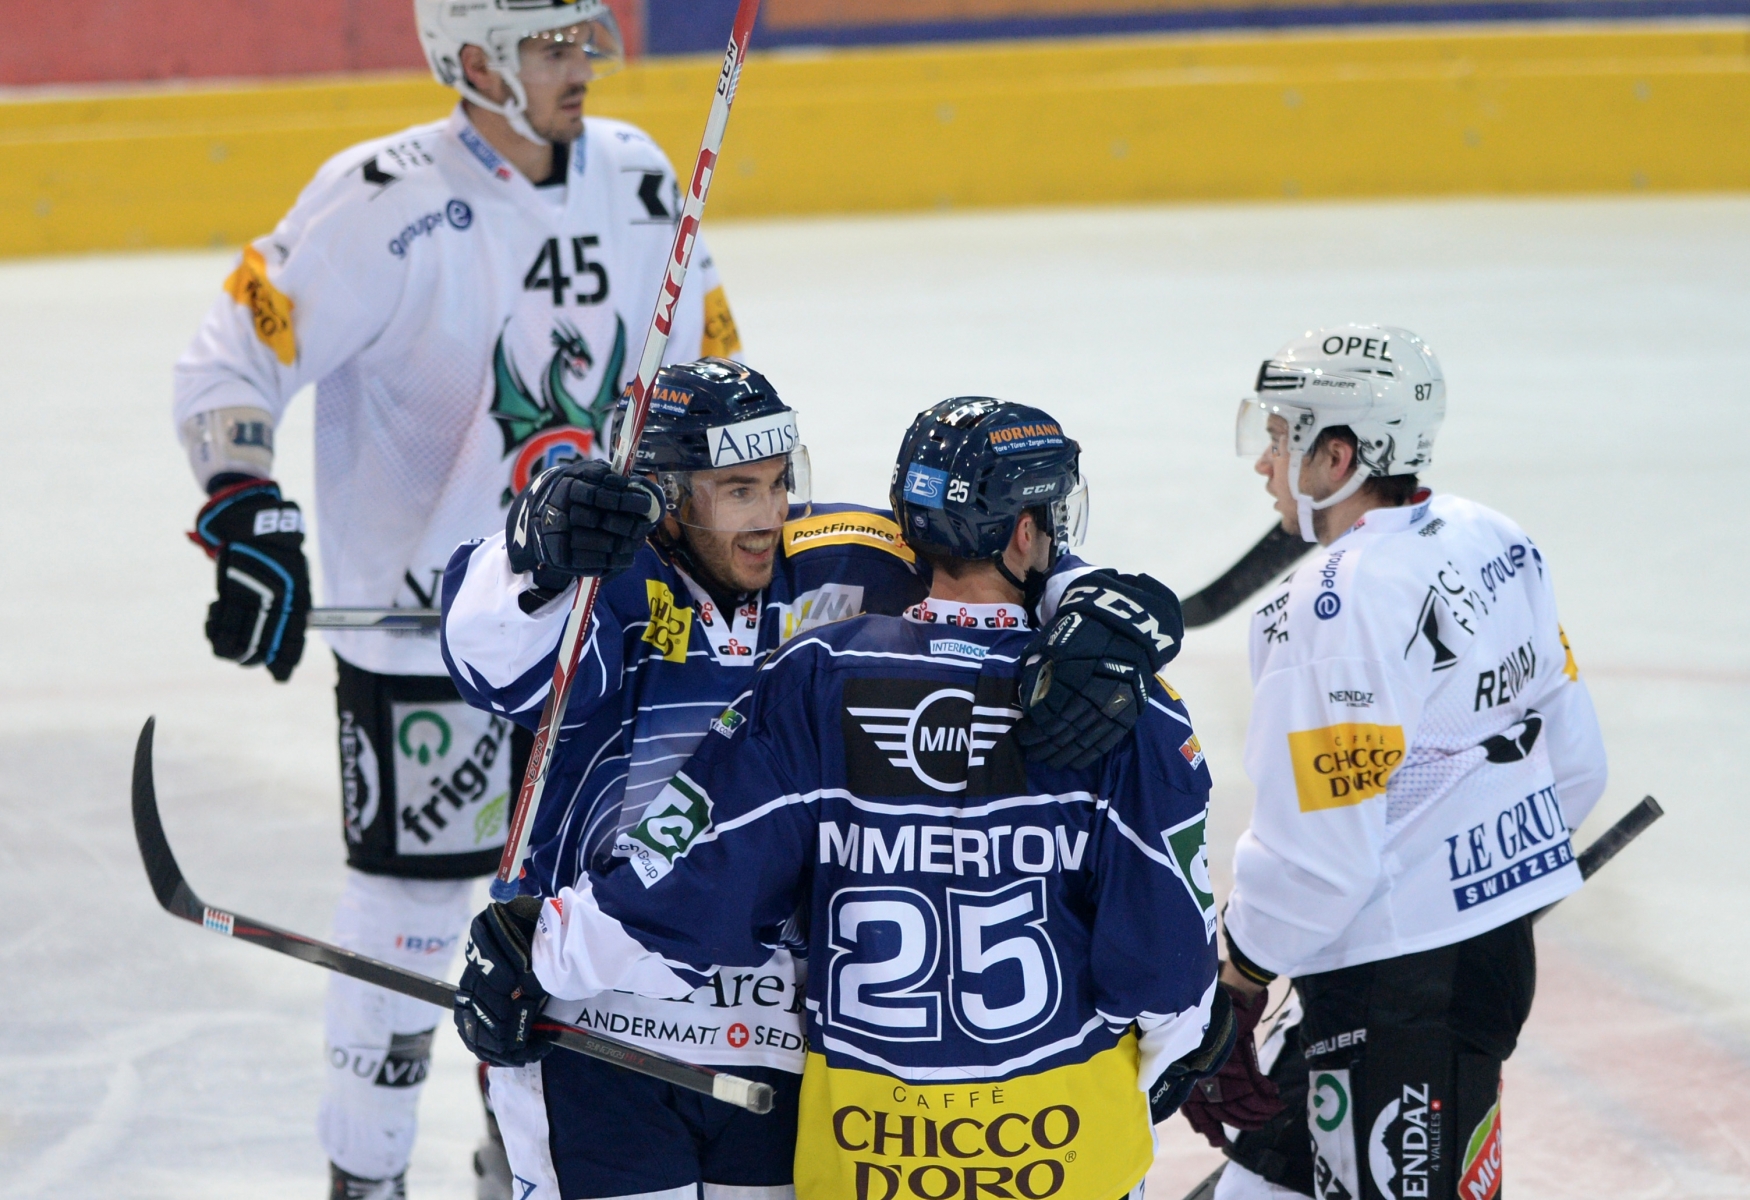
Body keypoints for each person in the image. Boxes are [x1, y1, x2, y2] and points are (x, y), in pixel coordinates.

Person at [169, 2, 739, 1194]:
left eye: (588, 37)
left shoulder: (638, 178)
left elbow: (713, 382)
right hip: (427, 641)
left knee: (574, 925)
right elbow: (234, 351)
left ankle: (519, 1156)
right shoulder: (378, 197)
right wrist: (244, 508)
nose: (582, 63)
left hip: (600, 640)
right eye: (552, 45)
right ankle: (366, 1175)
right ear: (474, 59)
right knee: (415, 913)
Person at [449, 396, 1234, 1200]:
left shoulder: (824, 657)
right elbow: (1164, 937)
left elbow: (709, 850)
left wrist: (538, 946)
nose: (772, 514)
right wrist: (532, 544)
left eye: (779, 482)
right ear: (665, 495)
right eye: (738, 489)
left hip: (851, 1125)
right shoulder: (1124, 702)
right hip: (1049, 1139)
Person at [1179, 325, 1609, 1200]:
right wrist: (1481, 879)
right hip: (1469, 958)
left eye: (1279, 438)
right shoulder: (1493, 537)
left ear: (1337, 456)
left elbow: (1319, 852)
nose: (1264, 463)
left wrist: (1241, 973)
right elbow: (1575, 763)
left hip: (1396, 990)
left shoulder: (1330, 610)